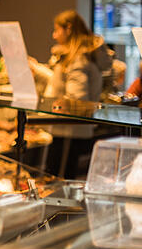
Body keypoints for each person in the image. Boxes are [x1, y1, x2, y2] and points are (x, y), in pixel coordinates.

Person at [30, 9, 112, 178]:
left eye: (56, 30)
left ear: (68, 29)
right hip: (70, 131)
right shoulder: (81, 57)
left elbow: (76, 98)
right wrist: (38, 70)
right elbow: (63, 83)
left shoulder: (77, 59)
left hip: (69, 131)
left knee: (58, 181)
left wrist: (50, 109)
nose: (54, 35)